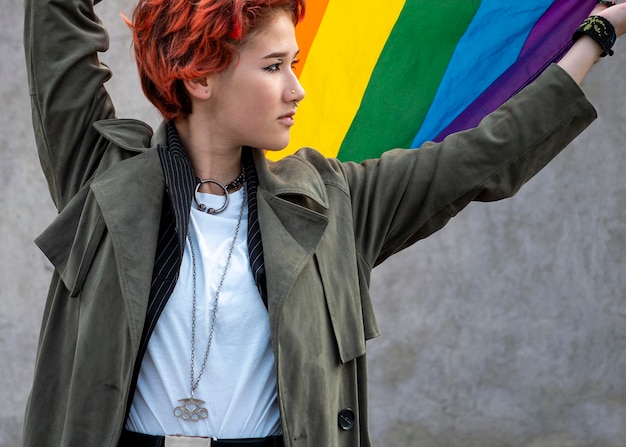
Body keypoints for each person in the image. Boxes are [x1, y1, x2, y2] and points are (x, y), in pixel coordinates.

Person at [21, 0, 626, 444]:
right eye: (274, 66)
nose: (298, 89)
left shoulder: (335, 205)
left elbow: (484, 154)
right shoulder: (103, 185)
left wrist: (596, 34)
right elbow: (59, 38)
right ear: (200, 76)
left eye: (297, 63)